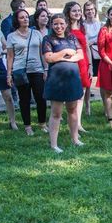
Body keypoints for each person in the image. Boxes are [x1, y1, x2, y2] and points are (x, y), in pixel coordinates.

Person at [42, 13, 85, 153]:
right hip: (57, 80)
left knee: (72, 110)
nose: (58, 26)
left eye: (61, 23)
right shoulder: (47, 39)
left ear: (66, 24)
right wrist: (65, 52)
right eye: (55, 24)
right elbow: (49, 58)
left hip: (72, 78)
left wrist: (68, 59)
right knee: (56, 113)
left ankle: (75, 138)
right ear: (51, 25)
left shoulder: (72, 37)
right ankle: (54, 144)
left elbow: (80, 54)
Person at [6, 8, 47, 135]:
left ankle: (42, 123)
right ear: (16, 20)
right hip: (20, 71)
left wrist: (45, 69)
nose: (25, 19)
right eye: (22, 17)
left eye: (26, 17)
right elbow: (10, 56)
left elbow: (42, 53)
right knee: (24, 99)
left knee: (41, 98)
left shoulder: (36, 34)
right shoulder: (11, 36)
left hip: (37, 69)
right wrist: (9, 74)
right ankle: (27, 126)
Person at [64, 1, 92, 132]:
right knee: (72, 95)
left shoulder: (82, 27)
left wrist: (90, 65)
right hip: (71, 63)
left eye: (79, 10)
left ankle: (79, 123)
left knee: (82, 93)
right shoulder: (64, 28)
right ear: (68, 13)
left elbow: (86, 48)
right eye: (74, 11)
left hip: (83, 62)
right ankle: (72, 122)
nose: (77, 13)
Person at [83, 1, 102, 115]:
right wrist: (90, 42)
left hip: (100, 54)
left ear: (95, 10)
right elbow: (84, 42)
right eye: (87, 10)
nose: (90, 11)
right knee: (88, 81)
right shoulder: (83, 25)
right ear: (84, 12)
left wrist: (91, 41)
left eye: (91, 9)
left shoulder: (101, 24)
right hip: (88, 54)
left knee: (102, 80)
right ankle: (87, 107)